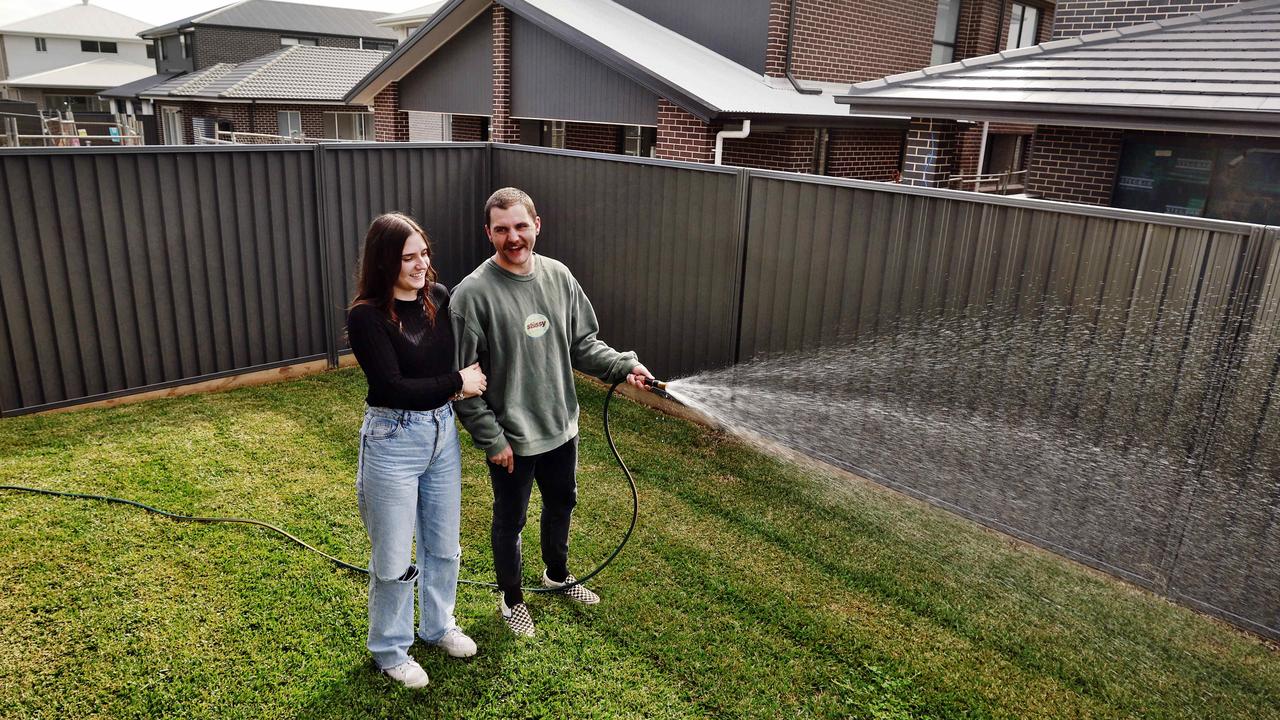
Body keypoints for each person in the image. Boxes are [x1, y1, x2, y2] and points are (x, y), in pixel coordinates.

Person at [450, 187, 652, 637]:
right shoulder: (471, 296)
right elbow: (461, 383)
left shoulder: (559, 277)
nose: (513, 237)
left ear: (536, 225)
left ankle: (557, 576)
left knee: (563, 502)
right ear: (489, 233)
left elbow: (583, 344)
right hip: (513, 440)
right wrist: (493, 439)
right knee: (511, 520)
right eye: (502, 229)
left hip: (562, 428)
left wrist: (623, 365)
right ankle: (512, 598)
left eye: (521, 226)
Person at [346, 213, 487, 688]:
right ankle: (390, 649)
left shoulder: (438, 299)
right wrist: (457, 384)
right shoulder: (365, 317)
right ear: (386, 262)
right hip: (392, 441)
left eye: (424, 253)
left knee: (444, 546)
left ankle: (438, 626)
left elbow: (441, 370)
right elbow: (393, 387)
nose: (421, 264)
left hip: (441, 435)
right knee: (392, 556)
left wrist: (452, 389)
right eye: (408, 258)